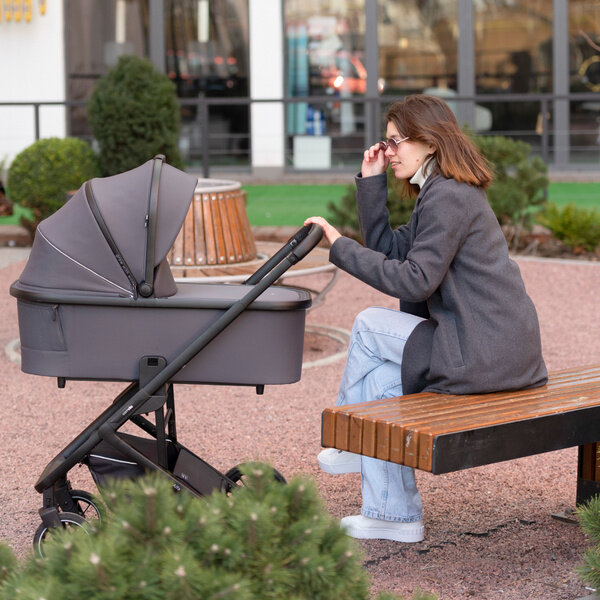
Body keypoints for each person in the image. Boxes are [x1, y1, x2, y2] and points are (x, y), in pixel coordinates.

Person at [305, 94, 547, 543]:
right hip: (491, 349)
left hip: (483, 351)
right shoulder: (444, 191)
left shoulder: (448, 195)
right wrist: (372, 182)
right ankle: (393, 515)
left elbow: (415, 281)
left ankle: (346, 439)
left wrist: (340, 247)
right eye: (387, 141)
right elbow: (394, 251)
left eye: (396, 142)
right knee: (380, 385)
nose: (389, 150)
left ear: (429, 142)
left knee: (367, 324)